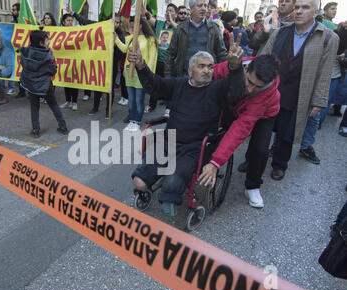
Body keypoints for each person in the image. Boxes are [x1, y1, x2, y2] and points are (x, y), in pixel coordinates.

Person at [129, 35, 245, 217]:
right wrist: (142, 66)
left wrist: (236, 68)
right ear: (190, 71)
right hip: (169, 141)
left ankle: (172, 199)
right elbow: (156, 86)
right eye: (201, 66)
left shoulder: (217, 88)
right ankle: (158, 189)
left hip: (195, 148)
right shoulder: (179, 85)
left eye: (210, 67)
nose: (207, 71)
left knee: (172, 184)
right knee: (139, 182)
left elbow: (236, 92)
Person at [261, 0, 339, 180]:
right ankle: (253, 160)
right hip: (271, 93)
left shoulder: (328, 37)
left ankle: (279, 165)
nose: (299, 11)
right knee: (261, 130)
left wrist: (318, 101)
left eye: (305, 8)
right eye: (297, 7)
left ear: (315, 11)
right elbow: (264, 57)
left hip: (297, 94)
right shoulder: (280, 32)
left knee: (286, 134)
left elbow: (325, 73)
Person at [199, 54, 281, 208]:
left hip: (265, 114)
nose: (250, 89)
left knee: (260, 150)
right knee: (213, 132)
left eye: (257, 86)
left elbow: (240, 129)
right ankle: (201, 167)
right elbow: (211, 73)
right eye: (249, 81)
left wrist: (216, 162)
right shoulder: (235, 64)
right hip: (235, 106)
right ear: (246, 68)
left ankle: (253, 186)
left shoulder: (266, 93)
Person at [20, 30, 68, 137]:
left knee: (34, 107)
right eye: (47, 40)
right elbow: (53, 71)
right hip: (45, 86)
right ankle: (63, 127)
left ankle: (35, 131)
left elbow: (23, 64)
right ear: (41, 43)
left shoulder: (25, 52)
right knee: (53, 105)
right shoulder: (47, 56)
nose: (49, 41)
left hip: (30, 84)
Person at [165, 0, 228, 79]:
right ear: (191, 9)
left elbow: (221, 53)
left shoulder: (213, 29)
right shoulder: (181, 28)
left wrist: (221, 76)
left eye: (205, 6)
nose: (204, 9)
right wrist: (168, 76)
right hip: (184, 76)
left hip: (206, 77)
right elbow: (170, 53)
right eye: (200, 5)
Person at [115, 16, 158, 131]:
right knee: (131, 99)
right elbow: (125, 49)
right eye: (131, 26)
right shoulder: (130, 38)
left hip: (142, 74)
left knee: (139, 99)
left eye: (134, 26)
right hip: (129, 73)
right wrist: (116, 39)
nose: (132, 28)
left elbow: (152, 59)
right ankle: (132, 120)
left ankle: (137, 121)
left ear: (141, 25)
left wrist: (149, 75)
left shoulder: (150, 40)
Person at [146, 3, 179, 114]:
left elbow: (182, 32)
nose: (168, 13)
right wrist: (141, 6)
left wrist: (172, 22)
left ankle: (168, 108)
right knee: (155, 83)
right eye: (167, 11)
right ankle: (152, 104)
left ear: (176, 14)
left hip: (170, 62)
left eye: (171, 11)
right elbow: (148, 17)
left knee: (169, 84)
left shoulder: (178, 26)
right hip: (158, 60)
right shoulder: (160, 24)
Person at [57, 13, 80, 111]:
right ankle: (67, 101)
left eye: (71, 20)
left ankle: (74, 102)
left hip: (74, 60)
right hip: (64, 60)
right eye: (68, 20)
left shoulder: (77, 31)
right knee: (66, 81)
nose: (70, 22)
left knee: (74, 82)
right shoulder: (59, 32)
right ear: (63, 22)